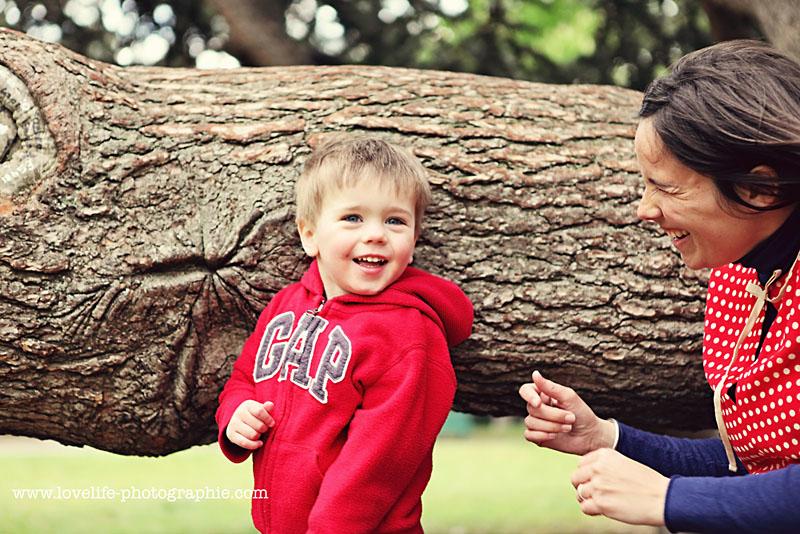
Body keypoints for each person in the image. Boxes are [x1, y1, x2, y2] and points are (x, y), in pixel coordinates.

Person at [519, 39, 800, 533]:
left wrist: (670, 498)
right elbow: (754, 466)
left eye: (667, 188)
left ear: (762, 187)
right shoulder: (738, 278)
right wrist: (604, 437)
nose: (644, 210)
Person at [216, 136, 473, 533]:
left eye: (395, 220)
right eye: (353, 217)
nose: (375, 234)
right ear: (310, 235)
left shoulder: (408, 335)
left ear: (414, 238)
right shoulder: (285, 306)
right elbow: (244, 379)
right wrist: (236, 415)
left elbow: (377, 463)